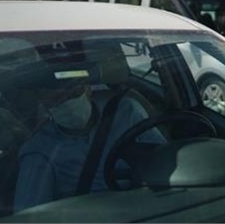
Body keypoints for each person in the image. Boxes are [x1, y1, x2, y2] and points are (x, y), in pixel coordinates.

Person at [13, 82, 165, 212]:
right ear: (44, 105)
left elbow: (165, 159)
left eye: (73, 93)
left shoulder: (126, 111)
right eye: (56, 99)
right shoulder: (39, 150)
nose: (67, 102)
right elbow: (31, 215)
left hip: (150, 209)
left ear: (88, 88)